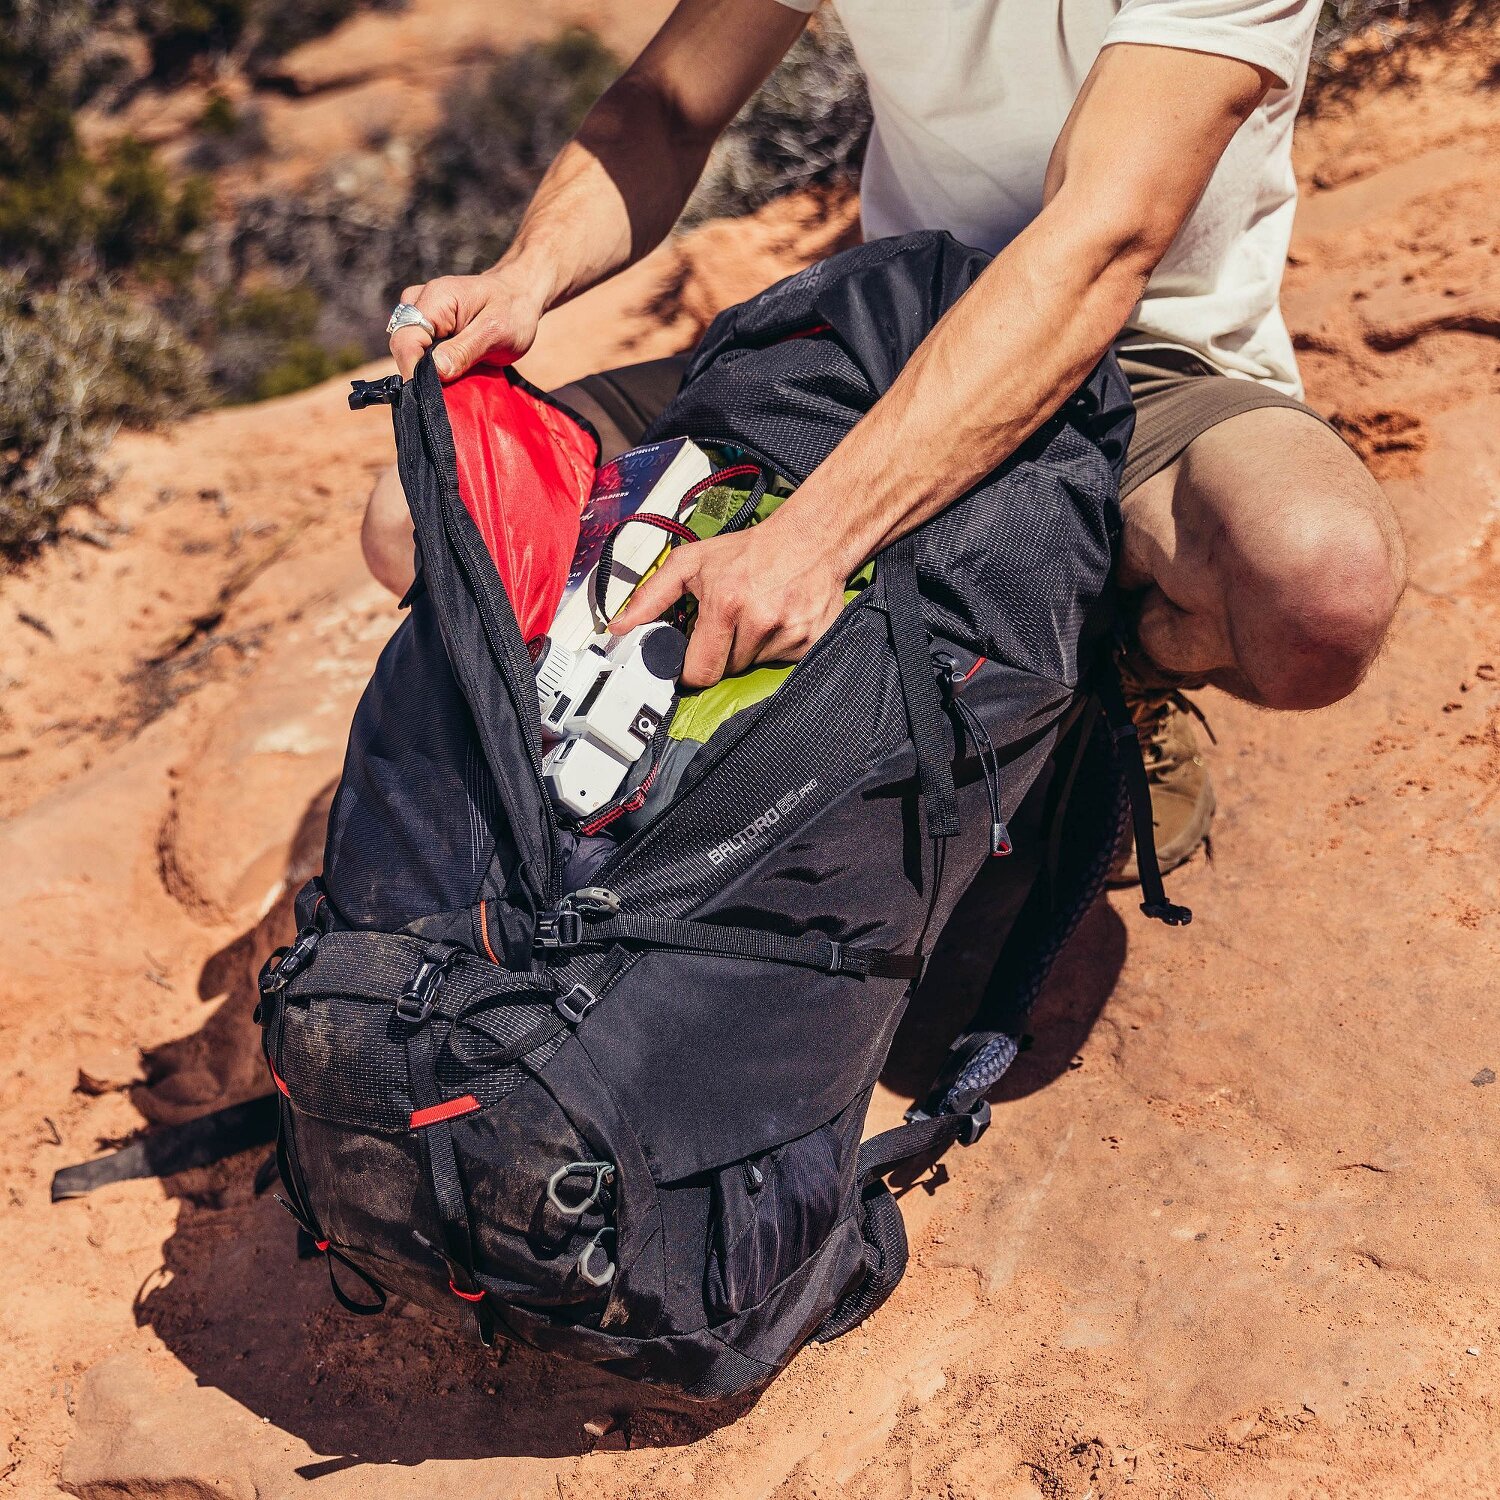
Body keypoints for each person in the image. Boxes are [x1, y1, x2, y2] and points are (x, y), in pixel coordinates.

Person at [363, 0, 1406, 882]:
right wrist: (527, 274)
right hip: (884, 324)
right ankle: (669, 752)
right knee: (422, 521)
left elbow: (1103, 238)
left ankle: (1105, 681)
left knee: (1318, 587)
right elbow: (670, 101)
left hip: (1144, 349)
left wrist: (814, 539)